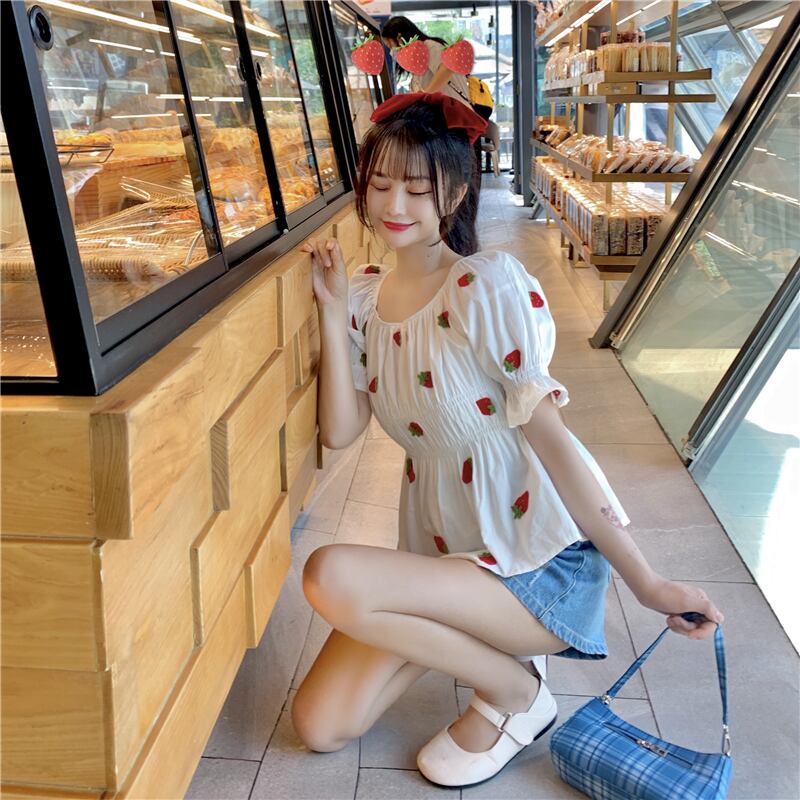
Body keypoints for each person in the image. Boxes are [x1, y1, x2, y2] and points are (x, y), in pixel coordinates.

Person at [293, 92, 723, 789]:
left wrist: (647, 582)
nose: (394, 204)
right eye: (380, 184)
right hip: (446, 559)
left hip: (532, 569)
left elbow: (555, 445)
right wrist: (333, 310)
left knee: (330, 575)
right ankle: (484, 651)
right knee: (320, 725)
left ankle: (517, 693)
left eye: (417, 189)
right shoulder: (367, 298)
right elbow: (341, 431)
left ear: (456, 192)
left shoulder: (482, 287)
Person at [380, 16, 483, 222]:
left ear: (400, 37)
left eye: (390, 45)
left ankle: (458, 229)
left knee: (457, 186)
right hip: (446, 126)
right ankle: (450, 227)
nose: (392, 51)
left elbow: (448, 68)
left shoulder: (430, 46)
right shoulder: (416, 58)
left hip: (456, 124)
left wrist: (426, 93)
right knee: (449, 184)